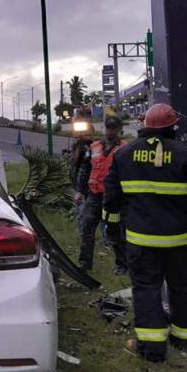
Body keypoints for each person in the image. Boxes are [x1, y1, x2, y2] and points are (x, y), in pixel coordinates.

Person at [102, 103, 187, 362]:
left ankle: (152, 348)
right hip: (179, 241)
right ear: (172, 127)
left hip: (141, 240)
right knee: (182, 288)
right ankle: (185, 340)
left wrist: (111, 227)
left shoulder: (124, 155)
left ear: (144, 125)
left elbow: (111, 197)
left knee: (146, 288)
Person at [74, 116, 128, 274]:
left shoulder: (125, 149)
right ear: (104, 128)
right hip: (95, 195)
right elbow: (85, 169)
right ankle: (84, 264)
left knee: (116, 231)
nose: (110, 131)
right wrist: (79, 191)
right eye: (108, 127)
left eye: (113, 128)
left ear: (119, 130)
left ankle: (122, 265)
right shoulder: (94, 147)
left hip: (115, 198)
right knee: (86, 228)